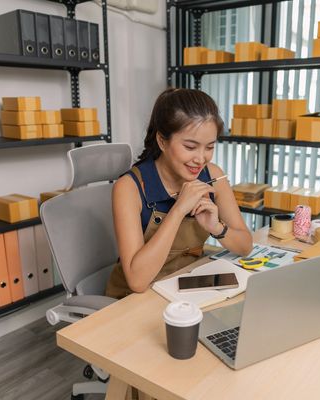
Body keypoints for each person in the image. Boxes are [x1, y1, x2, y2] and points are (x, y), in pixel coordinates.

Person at [105, 88, 253, 299]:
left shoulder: (213, 175)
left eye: (209, 147)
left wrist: (217, 228)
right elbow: (137, 282)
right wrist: (179, 209)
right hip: (133, 299)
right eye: (190, 147)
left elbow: (245, 245)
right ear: (162, 141)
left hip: (184, 288)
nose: (201, 159)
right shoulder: (129, 188)